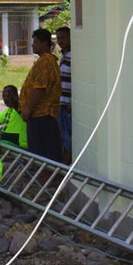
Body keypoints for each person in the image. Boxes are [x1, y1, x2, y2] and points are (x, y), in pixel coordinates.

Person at [19, 28, 61, 161]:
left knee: (41, 152)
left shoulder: (46, 62)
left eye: (36, 42)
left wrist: (28, 108)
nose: (32, 45)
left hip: (42, 114)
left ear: (45, 44)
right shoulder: (44, 61)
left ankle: (44, 178)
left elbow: (40, 88)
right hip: (40, 115)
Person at [56, 27, 72, 163]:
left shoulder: (73, 56)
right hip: (61, 102)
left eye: (63, 37)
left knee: (68, 138)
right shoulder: (63, 56)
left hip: (68, 104)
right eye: (58, 38)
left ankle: (67, 165)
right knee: (63, 136)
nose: (61, 41)